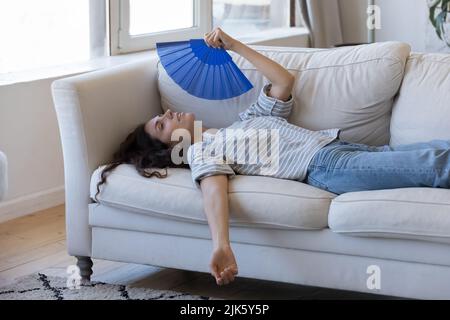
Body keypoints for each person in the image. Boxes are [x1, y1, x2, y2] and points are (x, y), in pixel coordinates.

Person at [95, 27, 450, 287]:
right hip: (327, 167)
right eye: (161, 123)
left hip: (341, 149)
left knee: (435, 151)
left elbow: (283, 81)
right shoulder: (204, 151)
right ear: (171, 148)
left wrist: (234, 45)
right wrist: (222, 245)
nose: (169, 114)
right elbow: (214, 190)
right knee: (434, 165)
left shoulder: (240, 123)